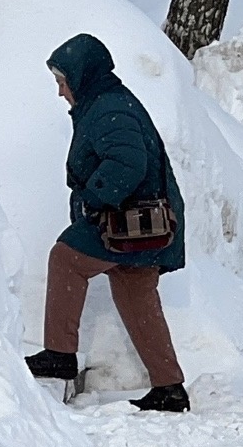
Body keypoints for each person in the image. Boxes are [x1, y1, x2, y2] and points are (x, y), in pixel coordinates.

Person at [25, 34, 191, 412]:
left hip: (128, 223)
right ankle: (170, 389)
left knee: (66, 258)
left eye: (62, 83)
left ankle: (60, 355)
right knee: (136, 296)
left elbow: (128, 162)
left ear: (82, 76)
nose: (60, 92)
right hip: (146, 226)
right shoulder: (105, 103)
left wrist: (94, 198)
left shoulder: (109, 109)